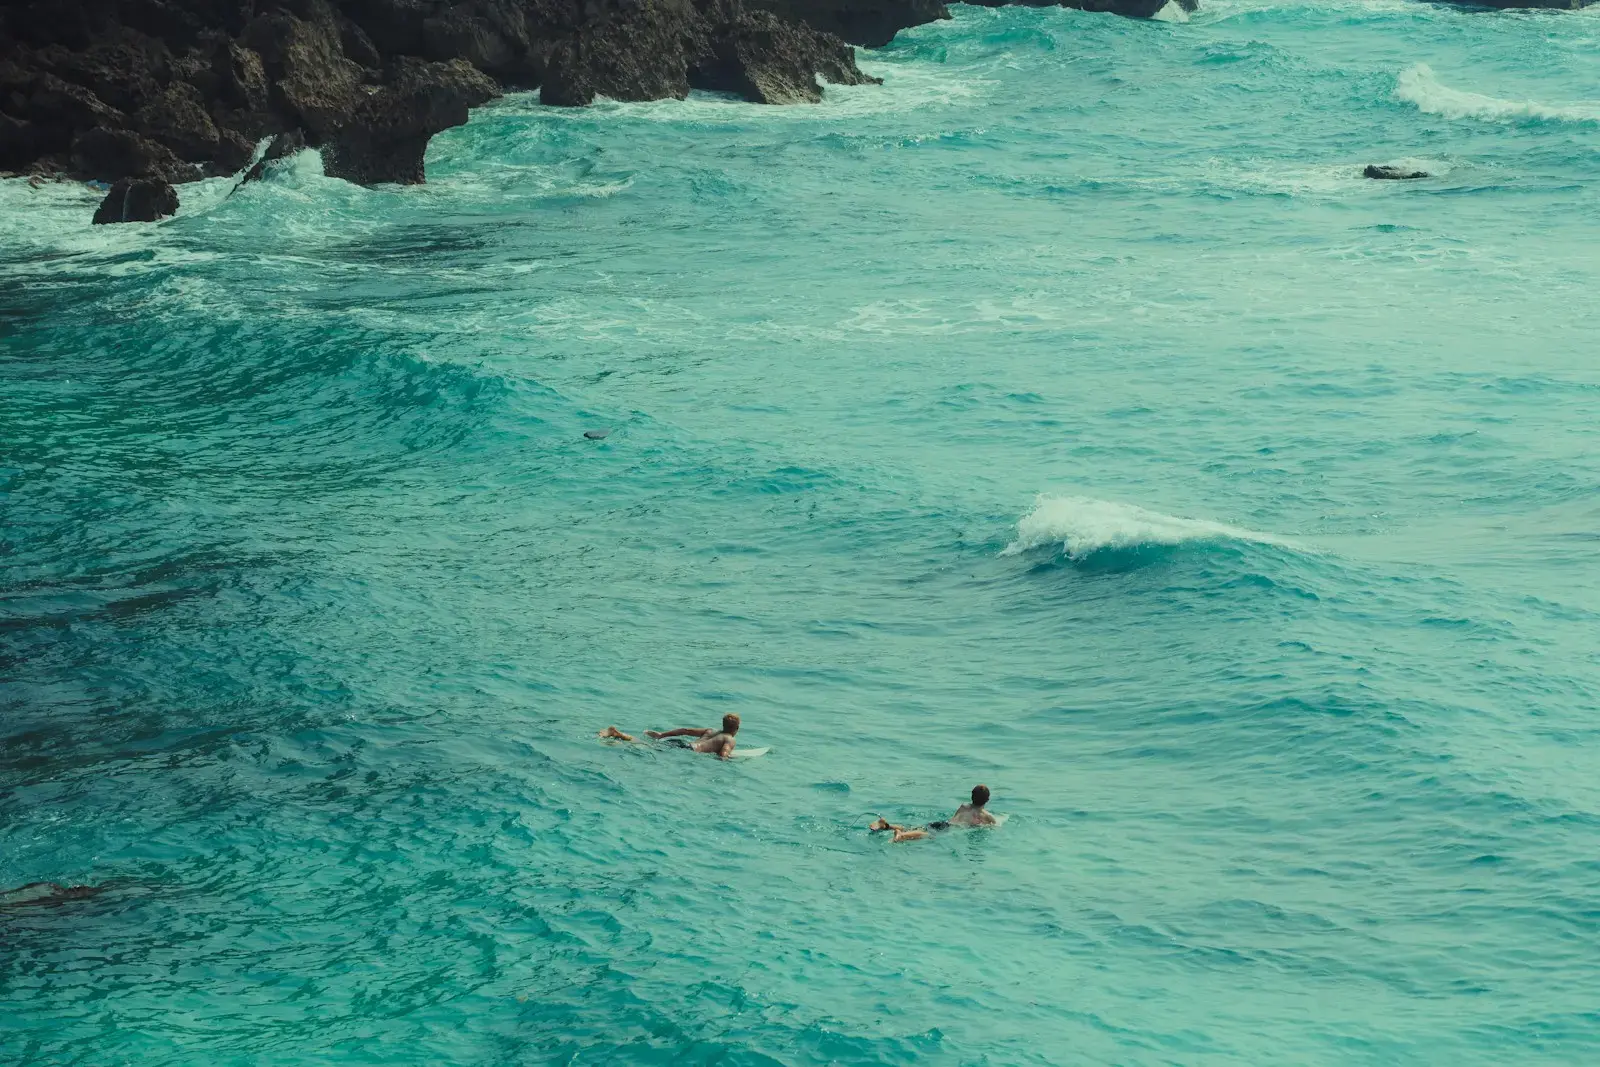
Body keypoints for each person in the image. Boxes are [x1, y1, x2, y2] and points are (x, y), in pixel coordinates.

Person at [871, 785, 998, 843]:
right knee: (927, 835)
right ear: (987, 800)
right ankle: (901, 835)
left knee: (916, 828)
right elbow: (993, 825)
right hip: (950, 829)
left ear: (971, 796)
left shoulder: (964, 806)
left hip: (944, 823)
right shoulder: (985, 816)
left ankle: (886, 826)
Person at [644, 713, 740, 759]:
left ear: (723, 724)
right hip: (688, 751)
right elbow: (723, 756)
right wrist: (729, 759)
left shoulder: (710, 730)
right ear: (737, 727)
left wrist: (662, 735)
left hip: (681, 743)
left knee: (654, 747)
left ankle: (647, 743)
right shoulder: (730, 739)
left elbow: (685, 731)